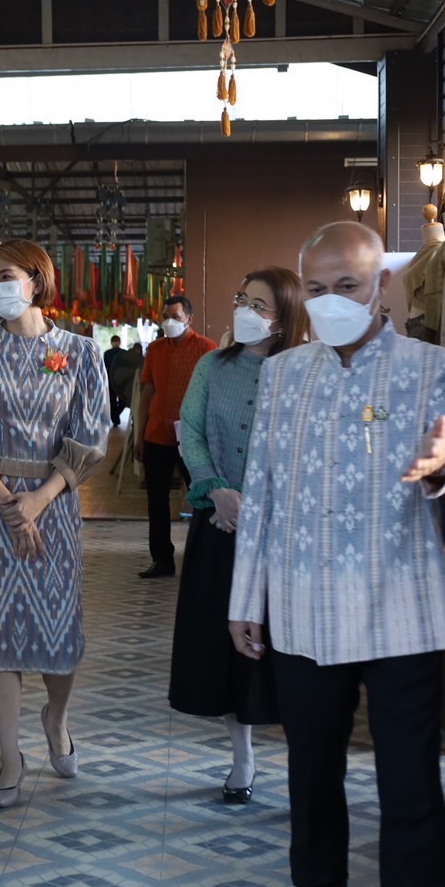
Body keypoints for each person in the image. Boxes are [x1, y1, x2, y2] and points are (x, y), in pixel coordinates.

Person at [228, 223, 445, 887]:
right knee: (311, 771)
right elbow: (263, 490)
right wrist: (246, 600)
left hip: (402, 608)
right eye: (317, 289)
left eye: (349, 286)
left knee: (409, 782)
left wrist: (444, 462)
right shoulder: (283, 374)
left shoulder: (430, 365)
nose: (332, 301)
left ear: (383, 287)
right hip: (305, 605)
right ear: (301, 294)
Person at [0, 239, 110, 808]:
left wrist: (38, 500)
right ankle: (7, 757)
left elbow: (92, 433)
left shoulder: (80, 352)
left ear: (36, 282)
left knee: (56, 631)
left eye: (7, 274)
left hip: (56, 503)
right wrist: (5, 502)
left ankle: (56, 718)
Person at [167, 269, 308, 805]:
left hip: (284, 534)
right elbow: (192, 429)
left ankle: (305, 759)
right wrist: (217, 491)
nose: (246, 311)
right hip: (220, 522)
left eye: (260, 305)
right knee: (226, 650)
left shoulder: (302, 372)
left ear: (285, 318)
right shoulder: (212, 365)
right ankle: (242, 756)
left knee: (286, 648)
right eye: (241, 299)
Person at [134, 295, 216, 578]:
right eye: (165, 316)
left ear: (189, 319)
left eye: (176, 317)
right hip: (157, 434)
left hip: (193, 438)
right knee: (156, 500)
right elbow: (146, 393)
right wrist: (138, 434)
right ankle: (162, 560)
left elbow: (212, 397)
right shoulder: (155, 349)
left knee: (204, 497)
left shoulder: (207, 349)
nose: (169, 322)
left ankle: (204, 558)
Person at [102, 335, 125, 425]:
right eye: (114, 341)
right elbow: (104, 367)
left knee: (123, 401)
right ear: (111, 343)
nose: (116, 343)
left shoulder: (124, 353)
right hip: (111, 380)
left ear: (119, 342)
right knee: (112, 400)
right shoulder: (107, 353)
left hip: (122, 380)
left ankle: (115, 415)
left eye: (117, 341)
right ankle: (115, 419)